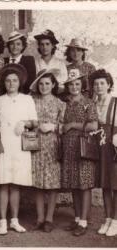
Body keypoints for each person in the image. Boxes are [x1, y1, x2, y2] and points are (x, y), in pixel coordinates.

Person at [0, 64, 38, 235]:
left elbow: (35, 122)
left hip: (19, 144)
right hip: (4, 144)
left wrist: (25, 123)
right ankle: (2, 221)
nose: (11, 83)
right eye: (8, 81)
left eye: (14, 80)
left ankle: (14, 220)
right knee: (3, 183)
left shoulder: (27, 99)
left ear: (19, 82)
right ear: (4, 83)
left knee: (15, 185)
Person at [61, 68, 98, 236]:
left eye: (77, 83)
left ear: (82, 84)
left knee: (84, 184)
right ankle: (77, 218)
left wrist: (72, 125)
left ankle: (83, 222)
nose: (74, 87)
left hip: (84, 146)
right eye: (71, 84)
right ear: (67, 86)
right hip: (68, 146)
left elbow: (93, 126)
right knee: (74, 184)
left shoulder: (88, 102)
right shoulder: (66, 102)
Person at [30, 69, 65, 233]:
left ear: (53, 85)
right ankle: (39, 217)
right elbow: (26, 119)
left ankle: (49, 219)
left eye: (47, 84)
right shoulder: (32, 101)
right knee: (37, 183)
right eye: (41, 84)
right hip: (35, 144)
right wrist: (35, 125)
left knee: (52, 184)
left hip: (52, 145)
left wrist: (54, 126)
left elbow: (65, 125)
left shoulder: (60, 103)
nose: (44, 86)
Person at [91, 69, 117, 236]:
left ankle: (115, 221)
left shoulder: (115, 102)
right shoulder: (93, 104)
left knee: (116, 184)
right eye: (96, 83)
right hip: (99, 148)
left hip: (113, 147)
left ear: (108, 85)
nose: (99, 86)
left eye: (102, 83)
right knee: (105, 185)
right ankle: (107, 218)